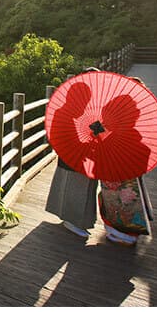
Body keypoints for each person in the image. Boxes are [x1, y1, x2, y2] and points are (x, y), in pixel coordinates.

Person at [97, 77, 153, 246]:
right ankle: (130, 234)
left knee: (113, 201)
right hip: (129, 170)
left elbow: (102, 136)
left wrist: (99, 131)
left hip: (114, 170)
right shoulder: (135, 127)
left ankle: (120, 234)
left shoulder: (117, 108)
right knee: (128, 201)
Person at [45, 70, 100, 239]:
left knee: (82, 189)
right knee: (76, 190)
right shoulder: (66, 114)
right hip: (74, 158)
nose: (85, 104)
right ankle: (73, 221)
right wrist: (91, 139)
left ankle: (77, 220)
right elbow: (69, 139)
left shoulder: (79, 113)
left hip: (79, 158)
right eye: (84, 100)